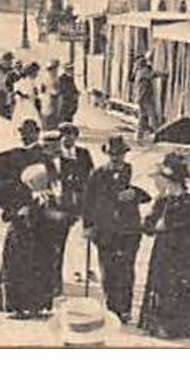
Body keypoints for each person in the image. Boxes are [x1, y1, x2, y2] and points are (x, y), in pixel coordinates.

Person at [137, 154, 190, 339]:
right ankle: (160, 322)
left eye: (163, 180)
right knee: (162, 285)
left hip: (185, 253)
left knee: (183, 286)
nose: (161, 183)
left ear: (174, 181)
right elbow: (147, 226)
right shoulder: (162, 202)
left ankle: (181, 324)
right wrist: (153, 226)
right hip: (163, 251)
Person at [82, 134, 150, 325]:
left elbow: (148, 194)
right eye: (112, 155)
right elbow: (87, 203)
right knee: (108, 271)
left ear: (125, 155)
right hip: (105, 231)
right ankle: (112, 308)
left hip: (129, 230)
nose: (116, 158)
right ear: (107, 155)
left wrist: (135, 193)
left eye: (119, 154)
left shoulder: (133, 172)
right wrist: (87, 226)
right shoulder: (97, 174)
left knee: (126, 269)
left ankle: (125, 309)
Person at [0, 164, 67, 319]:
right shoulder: (18, 195)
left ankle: (38, 306)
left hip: (40, 241)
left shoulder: (49, 197)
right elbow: (5, 216)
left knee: (40, 271)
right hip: (19, 239)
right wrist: (18, 212)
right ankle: (17, 307)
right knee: (18, 272)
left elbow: (55, 219)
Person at [51, 123, 93, 294]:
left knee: (78, 240)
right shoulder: (54, 154)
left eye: (71, 135)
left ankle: (80, 271)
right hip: (61, 204)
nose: (68, 138)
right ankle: (56, 282)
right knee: (57, 243)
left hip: (79, 203)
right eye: (64, 135)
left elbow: (91, 175)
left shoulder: (83, 154)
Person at [132, 56, 164, 140]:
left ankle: (139, 135)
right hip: (145, 97)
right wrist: (164, 73)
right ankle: (157, 134)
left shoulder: (138, 72)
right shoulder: (143, 71)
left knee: (142, 116)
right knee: (152, 115)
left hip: (140, 97)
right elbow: (153, 75)